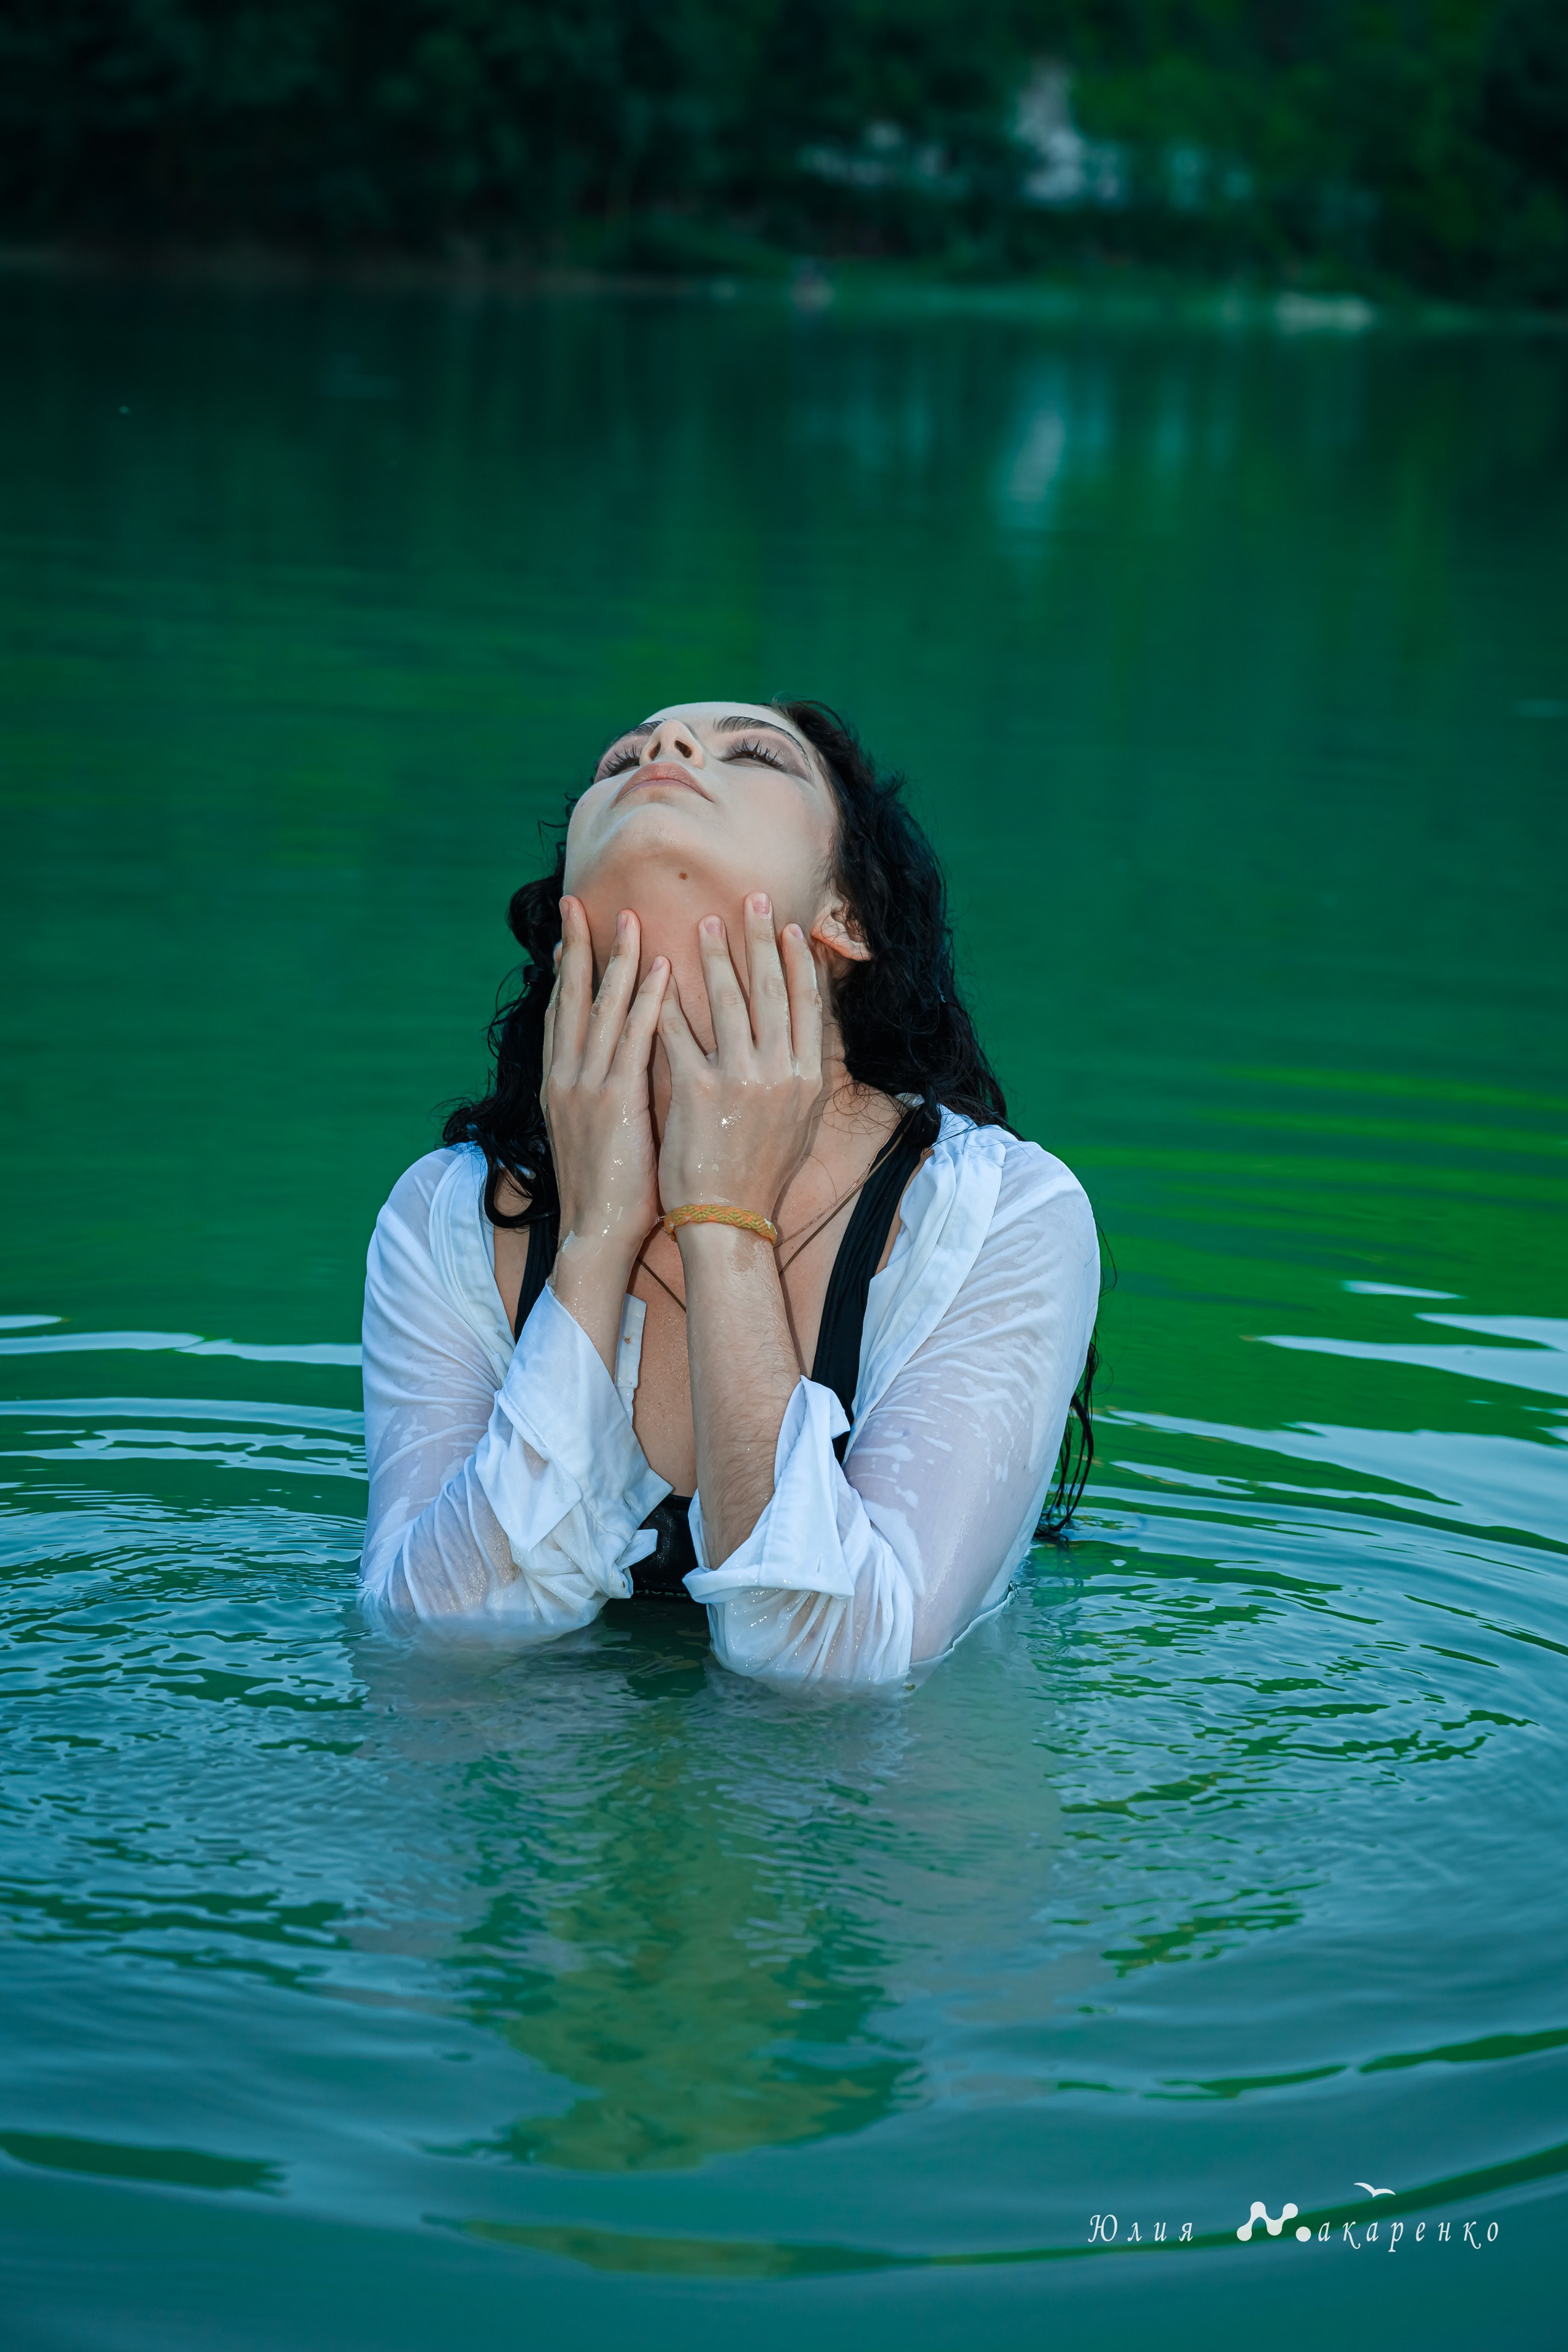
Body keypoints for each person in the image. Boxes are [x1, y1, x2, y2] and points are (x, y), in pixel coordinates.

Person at [360, 700, 1099, 1686]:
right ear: (569, 905)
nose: (660, 751)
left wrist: (724, 1228)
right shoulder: (451, 1216)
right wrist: (595, 1242)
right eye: (622, 757)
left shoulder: (994, 1215)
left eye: (751, 754)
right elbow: (434, 1637)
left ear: (849, 917)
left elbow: (843, 1674)